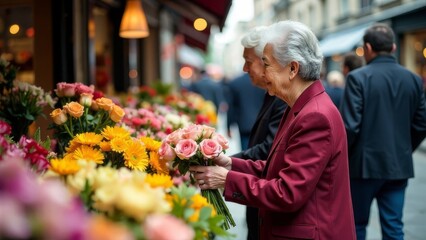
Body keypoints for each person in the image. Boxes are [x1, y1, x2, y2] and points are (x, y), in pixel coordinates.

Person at [190, 20, 356, 240]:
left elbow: (288, 193)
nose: (262, 73)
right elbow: (276, 167)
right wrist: (231, 163)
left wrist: (226, 179)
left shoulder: (314, 115)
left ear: (293, 69)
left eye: (266, 64)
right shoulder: (299, 106)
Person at [339, 23, 426, 240]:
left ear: (367, 48)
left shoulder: (357, 78)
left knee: (357, 225)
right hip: (398, 165)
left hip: (362, 167)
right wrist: (404, 147)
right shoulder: (414, 79)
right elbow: (422, 123)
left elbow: (349, 126)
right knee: (394, 227)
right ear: (394, 48)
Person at [229, 26, 287, 240]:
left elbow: (269, 153)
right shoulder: (272, 94)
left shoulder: (283, 97)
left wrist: (227, 170)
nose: (245, 68)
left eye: (248, 61)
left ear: (266, 60)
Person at [227, 73, 265, 150]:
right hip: (262, 123)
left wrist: (229, 126)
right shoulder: (264, 82)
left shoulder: (235, 83)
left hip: (244, 124)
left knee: (246, 153)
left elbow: (231, 107)